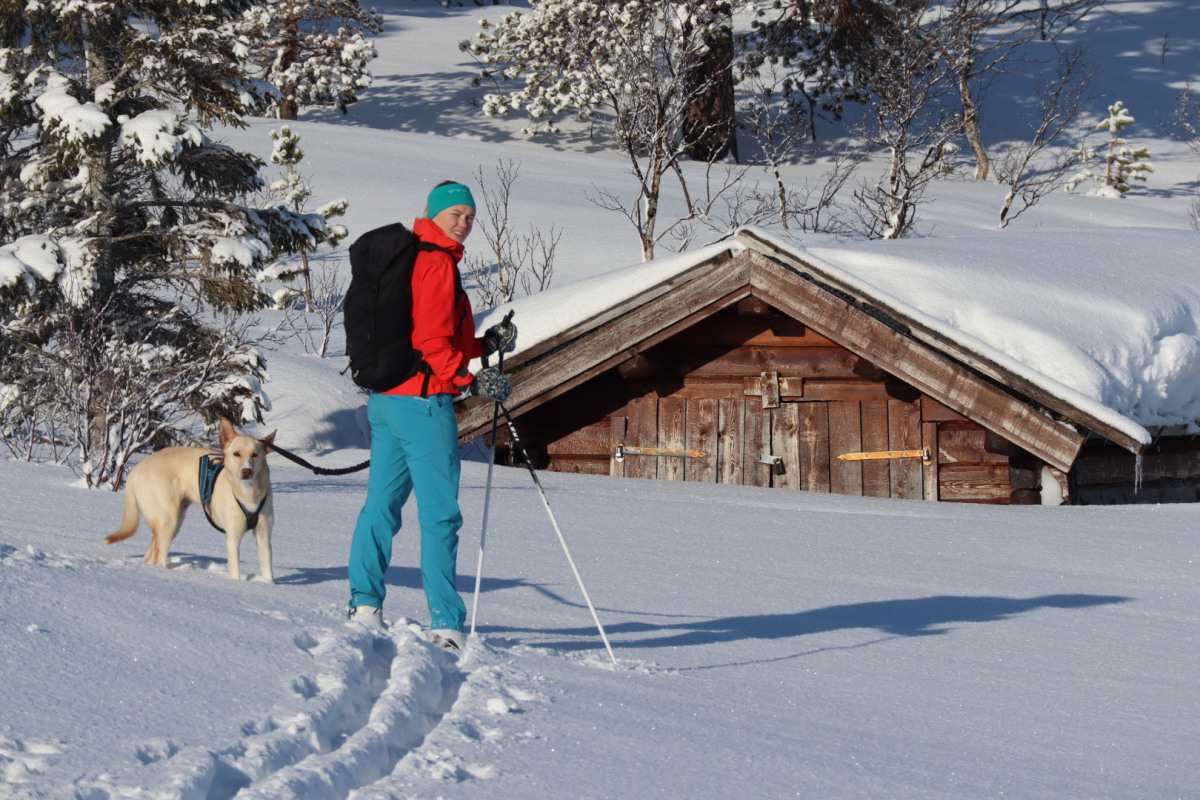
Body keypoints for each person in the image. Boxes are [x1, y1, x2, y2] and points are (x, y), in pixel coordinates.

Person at [347, 181, 516, 652]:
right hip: (424, 405)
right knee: (440, 515)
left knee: (381, 507)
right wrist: (470, 382)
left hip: (388, 400)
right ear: (433, 213)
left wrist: (484, 346)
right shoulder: (437, 262)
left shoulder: (413, 256)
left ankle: (364, 606)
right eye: (455, 213)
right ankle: (445, 624)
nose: (463, 223)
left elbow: (425, 337)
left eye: (470, 216)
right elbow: (431, 342)